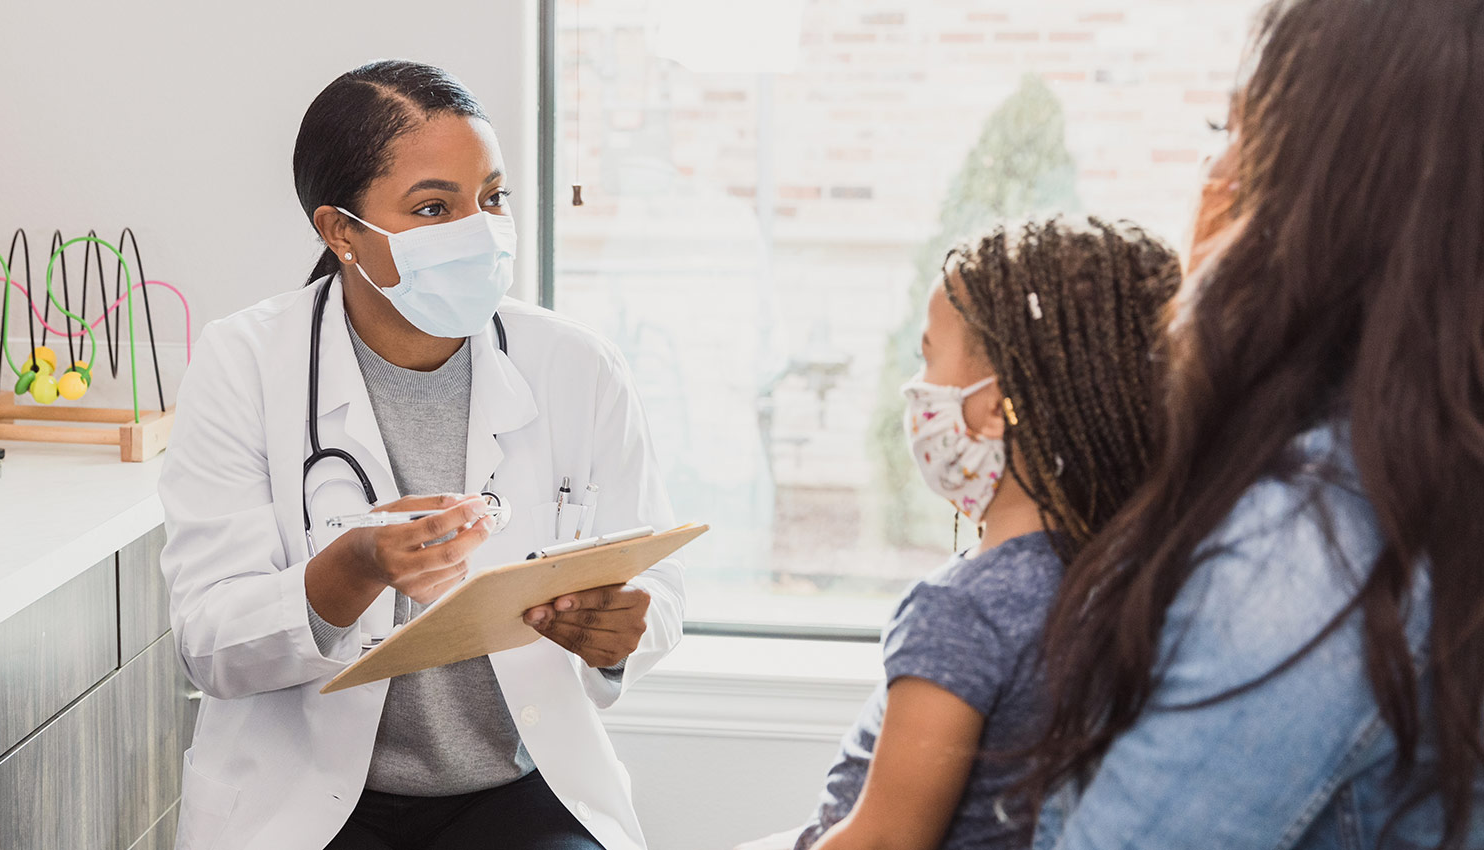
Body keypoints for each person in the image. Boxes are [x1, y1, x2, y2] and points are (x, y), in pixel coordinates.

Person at [157, 60, 685, 850]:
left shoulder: (575, 365)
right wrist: (354, 567)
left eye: (492, 199)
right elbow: (209, 644)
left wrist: (626, 631)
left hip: (518, 788)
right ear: (341, 231)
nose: (478, 230)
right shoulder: (243, 365)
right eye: (434, 207)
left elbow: (658, 582)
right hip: (308, 800)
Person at [1021, 0, 1484, 847]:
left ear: (1327, 188)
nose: (1214, 168)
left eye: (1237, 128)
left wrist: (1208, 329)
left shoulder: (1310, 553)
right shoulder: (1431, 485)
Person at [738, 216, 1180, 850]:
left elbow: (887, 842)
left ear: (994, 406)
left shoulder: (963, 611)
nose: (917, 390)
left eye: (929, 357)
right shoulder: (1125, 573)